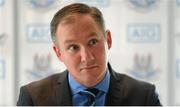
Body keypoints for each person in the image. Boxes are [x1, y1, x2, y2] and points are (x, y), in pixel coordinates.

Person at [17, 3, 162, 106]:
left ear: (108, 40)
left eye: (92, 42)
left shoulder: (144, 96)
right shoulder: (34, 98)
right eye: (73, 47)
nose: (87, 57)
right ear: (58, 53)